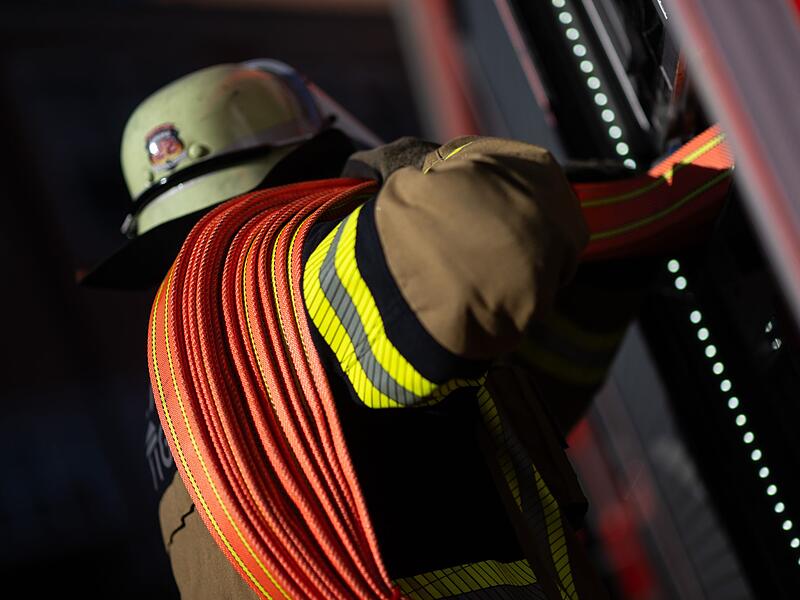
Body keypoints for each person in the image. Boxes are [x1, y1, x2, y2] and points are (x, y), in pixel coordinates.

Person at [85, 58, 733, 599]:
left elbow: (485, 418)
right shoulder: (302, 281)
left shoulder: (183, 398)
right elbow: (496, 229)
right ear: (309, 158)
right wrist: (402, 170)